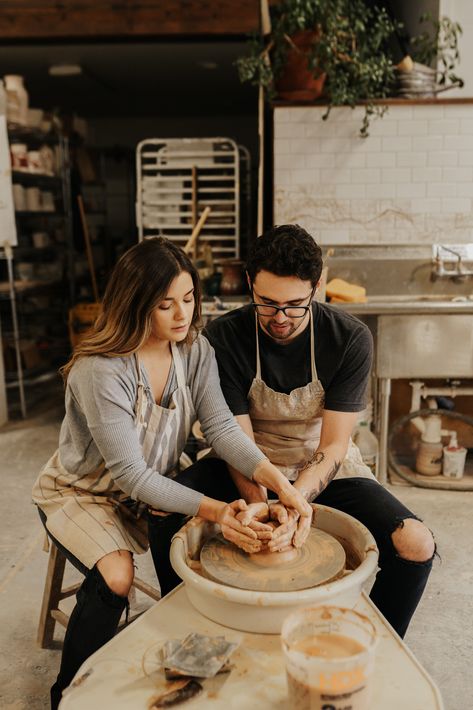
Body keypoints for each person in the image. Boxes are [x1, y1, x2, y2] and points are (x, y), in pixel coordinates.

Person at [32, 236, 312, 709]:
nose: (182, 315)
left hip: (151, 485)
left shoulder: (194, 350)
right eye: (166, 305)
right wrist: (220, 509)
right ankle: (67, 694)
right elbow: (132, 478)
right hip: (84, 492)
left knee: (212, 549)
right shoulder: (101, 370)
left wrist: (281, 485)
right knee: (117, 579)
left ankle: (187, 656)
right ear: (135, 304)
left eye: (188, 299)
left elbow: (222, 427)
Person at [204, 224, 436, 639]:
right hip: (243, 459)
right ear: (251, 285)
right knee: (166, 513)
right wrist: (262, 510)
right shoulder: (223, 336)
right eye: (266, 303)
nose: (280, 318)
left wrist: (295, 503)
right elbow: (235, 442)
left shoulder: (349, 339)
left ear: (317, 286)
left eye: (295, 304)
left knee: (416, 543)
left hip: (321, 463)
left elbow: (333, 444)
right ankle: (196, 632)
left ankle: (366, 645)